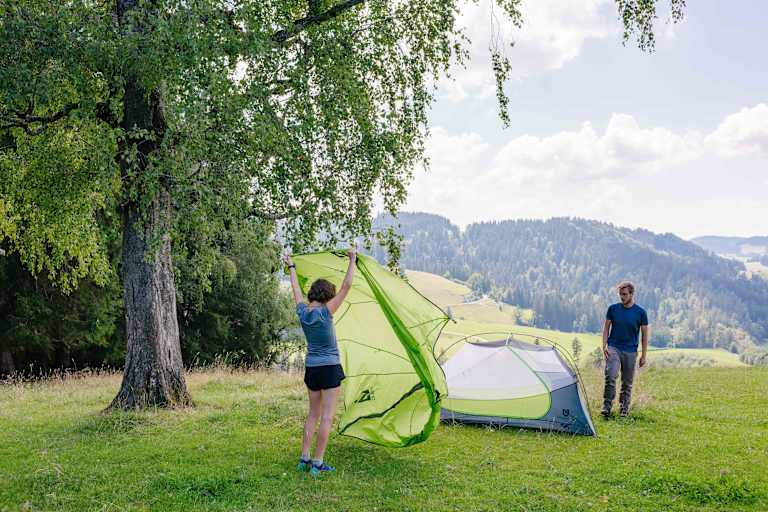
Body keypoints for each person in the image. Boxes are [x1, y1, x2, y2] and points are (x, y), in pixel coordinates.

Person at [284, 246, 356, 476]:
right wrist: (352, 259)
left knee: (312, 414)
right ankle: (317, 463)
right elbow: (347, 286)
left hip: (312, 369)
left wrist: (291, 266)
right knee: (327, 416)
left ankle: (304, 458)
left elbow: (295, 288)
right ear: (327, 296)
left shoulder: (303, 312)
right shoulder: (326, 312)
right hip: (330, 368)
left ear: (313, 294)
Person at [601, 281, 649, 417]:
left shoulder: (641, 313)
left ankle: (624, 409)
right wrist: (604, 345)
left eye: (624, 294)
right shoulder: (613, 309)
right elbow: (606, 328)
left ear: (632, 294)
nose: (622, 297)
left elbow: (644, 336)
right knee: (610, 375)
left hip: (631, 351)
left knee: (627, 382)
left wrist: (643, 356)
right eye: (620, 294)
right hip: (614, 347)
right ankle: (606, 407)